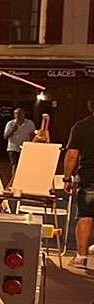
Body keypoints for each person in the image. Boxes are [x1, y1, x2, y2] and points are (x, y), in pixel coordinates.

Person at [65, 99, 94, 269]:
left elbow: (72, 155)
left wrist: (67, 177)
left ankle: (81, 256)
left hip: (90, 176)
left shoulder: (81, 127)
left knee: (86, 216)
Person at [3, 106, 36, 179]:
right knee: (14, 164)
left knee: (23, 165)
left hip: (25, 148)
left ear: (24, 114)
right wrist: (12, 130)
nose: (17, 115)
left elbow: (33, 135)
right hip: (13, 147)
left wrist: (32, 146)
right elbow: (5, 136)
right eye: (15, 114)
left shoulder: (30, 123)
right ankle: (14, 180)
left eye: (19, 113)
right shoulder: (10, 123)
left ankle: (22, 180)